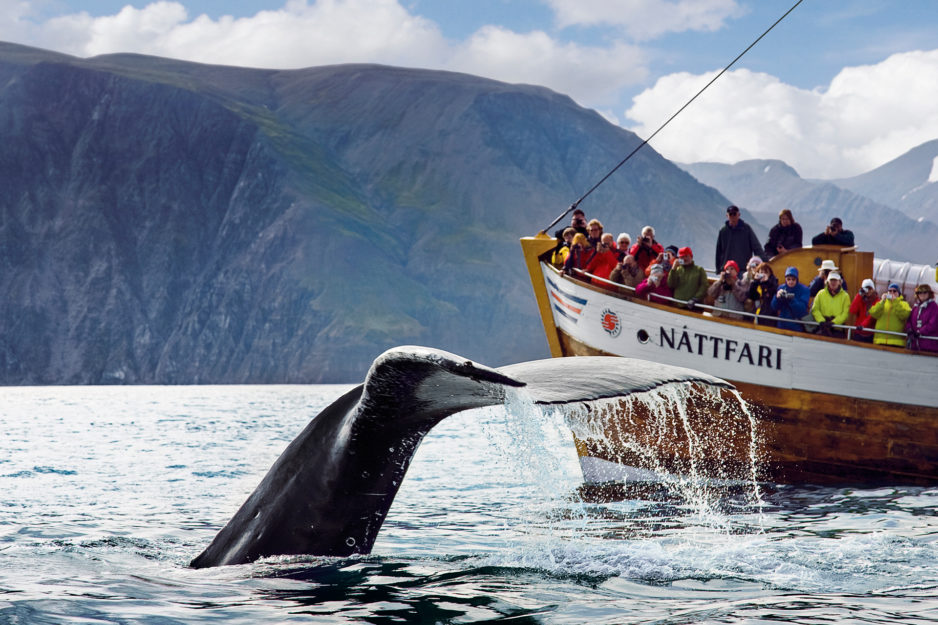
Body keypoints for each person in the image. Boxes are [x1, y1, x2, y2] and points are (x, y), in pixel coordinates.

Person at [715, 205, 765, 274]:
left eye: (734, 214)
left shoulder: (746, 229)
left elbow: (756, 247)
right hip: (727, 270)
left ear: (739, 215)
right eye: (730, 214)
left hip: (743, 270)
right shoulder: (723, 231)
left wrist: (764, 262)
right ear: (727, 215)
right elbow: (719, 251)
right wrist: (718, 269)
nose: (732, 216)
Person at [811, 272, 850, 337]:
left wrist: (834, 322)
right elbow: (815, 309)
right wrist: (821, 321)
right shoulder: (820, 293)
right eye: (831, 280)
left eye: (835, 280)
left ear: (840, 282)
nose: (833, 282)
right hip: (822, 327)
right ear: (827, 282)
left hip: (837, 328)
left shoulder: (845, 296)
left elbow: (845, 313)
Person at [770, 266, 810, 331]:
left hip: (797, 326)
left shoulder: (804, 290)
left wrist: (791, 299)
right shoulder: (781, 288)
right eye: (788, 279)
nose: (791, 282)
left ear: (797, 279)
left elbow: (802, 311)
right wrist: (777, 298)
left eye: (793, 279)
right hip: (782, 324)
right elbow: (774, 307)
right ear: (785, 279)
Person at [906, 284, 938, 353]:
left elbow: (933, 324)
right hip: (915, 346)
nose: (922, 294)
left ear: (929, 294)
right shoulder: (915, 307)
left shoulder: (934, 307)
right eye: (920, 292)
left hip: (929, 347)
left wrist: (919, 332)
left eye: (925, 292)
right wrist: (910, 330)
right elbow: (909, 321)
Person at [849, 278, 878, 343]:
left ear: (873, 289)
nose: (868, 291)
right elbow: (852, 310)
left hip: (870, 333)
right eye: (866, 289)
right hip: (858, 332)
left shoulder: (877, 301)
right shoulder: (861, 300)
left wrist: (862, 325)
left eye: (870, 288)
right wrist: (859, 295)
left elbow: (871, 316)